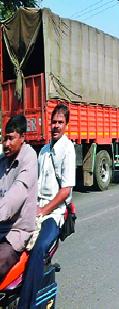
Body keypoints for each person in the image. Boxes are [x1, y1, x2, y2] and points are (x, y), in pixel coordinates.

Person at [18, 103, 76, 308]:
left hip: (54, 214)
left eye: (61, 122)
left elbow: (66, 191)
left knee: (39, 248)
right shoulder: (43, 150)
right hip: (35, 209)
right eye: (54, 122)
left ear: (66, 125)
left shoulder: (67, 150)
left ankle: (27, 303)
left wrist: (43, 210)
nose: (56, 126)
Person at [0, 115, 38, 282]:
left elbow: (17, 193)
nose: (6, 144)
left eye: (10, 138)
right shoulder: (2, 161)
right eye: (4, 139)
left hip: (16, 232)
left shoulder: (29, 158)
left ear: (22, 137)